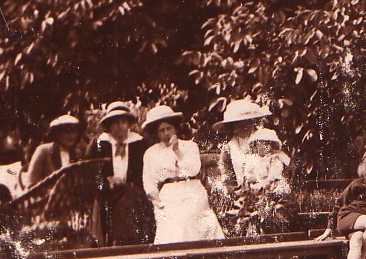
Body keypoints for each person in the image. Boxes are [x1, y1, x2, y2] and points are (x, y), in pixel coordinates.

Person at [142, 105, 225, 247]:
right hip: (168, 194)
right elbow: (148, 181)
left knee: (193, 222)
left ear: (175, 128)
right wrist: (157, 201)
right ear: (156, 132)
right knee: (172, 227)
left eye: (169, 128)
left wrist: (177, 151)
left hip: (191, 189)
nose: (166, 133)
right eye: (162, 130)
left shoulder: (190, 146)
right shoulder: (151, 153)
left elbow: (193, 169)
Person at [91, 101, 153, 246]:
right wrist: (106, 182)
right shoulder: (99, 144)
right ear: (109, 125)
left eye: (123, 122)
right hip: (107, 193)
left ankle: (121, 241)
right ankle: (122, 240)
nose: (120, 126)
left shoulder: (139, 143)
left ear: (129, 124)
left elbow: (146, 169)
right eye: (116, 123)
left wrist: (130, 183)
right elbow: (91, 171)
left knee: (130, 197)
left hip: (134, 190)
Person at [211, 99, 273, 236]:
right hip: (241, 196)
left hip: (266, 191)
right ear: (233, 126)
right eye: (239, 123)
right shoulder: (229, 149)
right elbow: (227, 177)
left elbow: (275, 163)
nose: (244, 127)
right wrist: (238, 192)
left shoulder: (264, 142)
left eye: (247, 122)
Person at [25, 114, 86, 187]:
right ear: (57, 134)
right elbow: (31, 183)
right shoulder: (44, 150)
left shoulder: (77, 153)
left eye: (74, 132)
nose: (71, 136)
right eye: (66, 132)